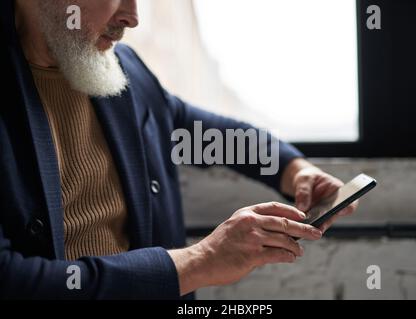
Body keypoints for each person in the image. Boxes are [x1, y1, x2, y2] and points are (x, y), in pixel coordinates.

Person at [0, 0, 357, 299]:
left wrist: (294, 170)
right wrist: (199, 261)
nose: (132, 16)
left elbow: (203, 132)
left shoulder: (121, 69)